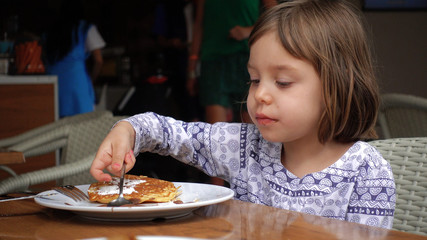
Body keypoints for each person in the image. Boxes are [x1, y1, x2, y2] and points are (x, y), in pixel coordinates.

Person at [90, 0, 395, 229]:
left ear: (336, 86)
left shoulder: (367, 173)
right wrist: (128, 131)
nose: (260, 94)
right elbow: (167, 132)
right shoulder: (243, 147)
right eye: (255, 79)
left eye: (283, 82)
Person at [44, 0, 105, 118]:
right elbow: (98, 60)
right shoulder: (84, 28)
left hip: (53, 85)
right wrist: (92, 79)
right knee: (82, 126)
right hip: (77, 86)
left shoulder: (51, 31)